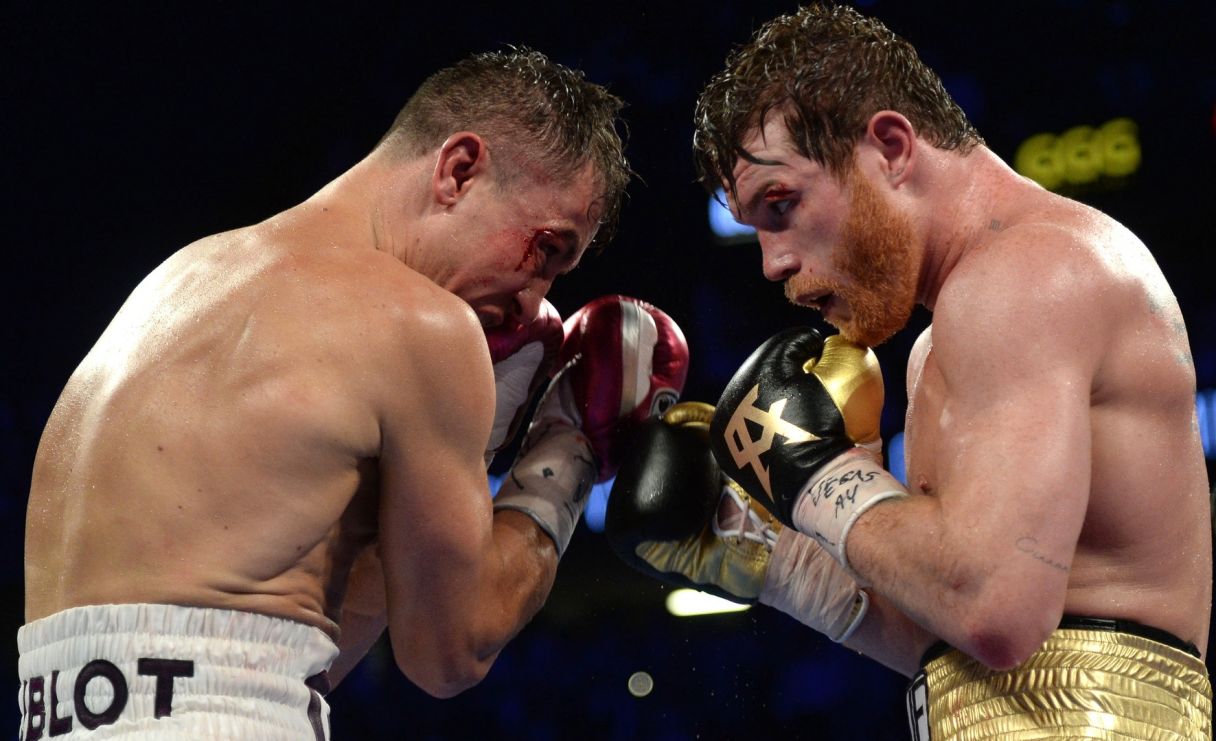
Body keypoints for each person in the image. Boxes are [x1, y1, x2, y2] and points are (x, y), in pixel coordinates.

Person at [19, 47, 691, 739]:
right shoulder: (422, 326)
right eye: (545, 250)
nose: (534, 302)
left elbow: (282, 661)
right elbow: (449, 653)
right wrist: (570, 444)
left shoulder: (173, 284)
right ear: (458, 169)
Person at [607, 4, 1212, 739]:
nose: (773, 264)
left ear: (891, 146)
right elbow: (961, 643)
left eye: (782, 205)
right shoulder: (945, 337)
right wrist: (761, 554)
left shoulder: (1032, 272)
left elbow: (994, 610)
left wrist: (810, 473)